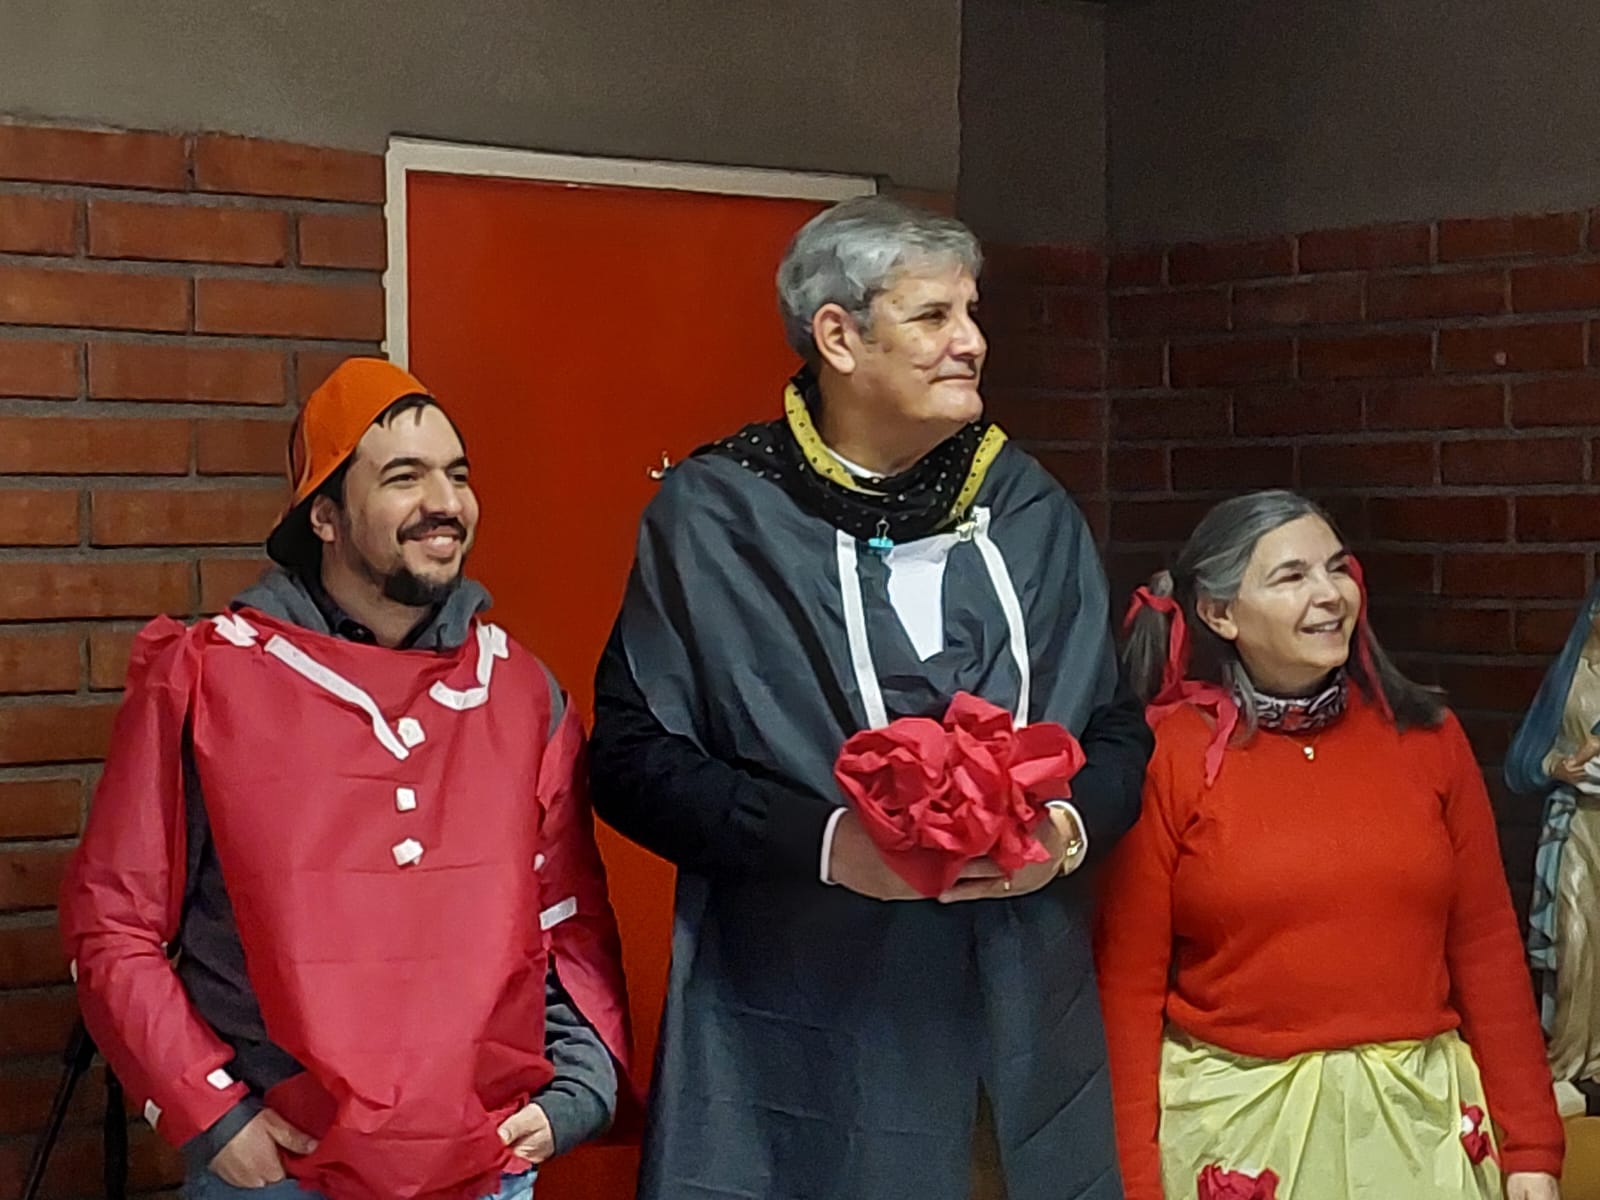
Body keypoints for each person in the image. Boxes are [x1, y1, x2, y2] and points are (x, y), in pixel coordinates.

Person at [588, 196, 1153, 1200]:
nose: (971, 342)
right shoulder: (717, 517)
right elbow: (635, 764)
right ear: (838, 337)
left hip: (1014, 1022)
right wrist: (827, 844)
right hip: (796, 1030)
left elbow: (1115, 726)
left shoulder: (1028, 506)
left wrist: (1066, 830)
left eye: (971, 313)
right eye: (933, 317)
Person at [60, 358, 631, 1200]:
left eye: (457, 474)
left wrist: (580, 1089)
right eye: (404, 477)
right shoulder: (209, 679)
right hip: (282, 1174)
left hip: (485, 1169)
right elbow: (113, 922)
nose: (445, 501)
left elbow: (568, 919)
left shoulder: (520, 690)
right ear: (323, 515)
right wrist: (211, 1114)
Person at [1097, 489, 1564, 1200]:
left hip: (1419, 1128)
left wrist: (1531, 1145)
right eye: (1292, 576)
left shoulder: (1429, 739)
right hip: (1240, 1135)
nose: (1330, 594)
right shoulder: (1170, 756)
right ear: (1220, 613)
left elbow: (1487, 946)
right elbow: (1125, 989)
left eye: (1338, 568)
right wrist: (1134, 1184)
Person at [1508, 581, 1600, 1114]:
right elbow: (1524, 760)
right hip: (1579, 829)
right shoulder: (1569, 677)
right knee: (1576, 939)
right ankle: (1570, 1056)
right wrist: (1557, 767)